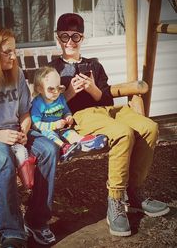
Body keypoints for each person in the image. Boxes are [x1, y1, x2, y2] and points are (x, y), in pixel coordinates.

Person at [49, 13, 170, 237]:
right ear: (57, 37)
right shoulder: (53, 69)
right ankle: (115, 200)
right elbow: (46, 107)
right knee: (123, 133)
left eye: (75, 36)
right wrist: (71, 93)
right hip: (81, 115)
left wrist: (93, 88)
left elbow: (106, 99)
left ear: (82, 38)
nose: (69, 42)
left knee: (149, 128)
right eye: (64, 36)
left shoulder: (94, 65)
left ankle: (134, 191)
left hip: (108, 111)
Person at [0, 27, 58, 248]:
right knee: (3, 158)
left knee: (49, 150)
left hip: (15, 131)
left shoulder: (17, 73)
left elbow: (25, 111)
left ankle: (37, 220)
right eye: (7, 52)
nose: (14, 56)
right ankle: (12, 231)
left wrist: (23, 129)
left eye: (15, 50)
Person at [30, 65, 108, 162]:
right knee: (51, 135)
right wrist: (53, 125)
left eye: (59, 88)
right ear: (40, 89)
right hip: (46, 131)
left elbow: (66, 111)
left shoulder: (60, 98)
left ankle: (85, 142)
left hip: (62, 128)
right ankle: (64, 148)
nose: (56, 92)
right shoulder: (38, 104)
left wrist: (68, 117)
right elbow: (35, 125)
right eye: (51, 89)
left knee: (70, 133)